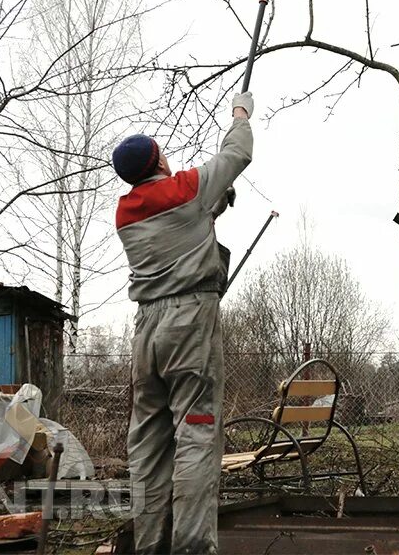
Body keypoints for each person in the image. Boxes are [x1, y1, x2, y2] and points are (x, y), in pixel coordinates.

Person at [111, 90, 254, 554]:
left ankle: (149, 544)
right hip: (188, 323)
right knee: (196, 432)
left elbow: (177, 226)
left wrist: (212, 207)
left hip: (146, 332)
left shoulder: (126, 212)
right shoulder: (186, 188)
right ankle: (192, 547)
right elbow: (237, 152)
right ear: (158, 161)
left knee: (149, 446)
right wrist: (240, 111)